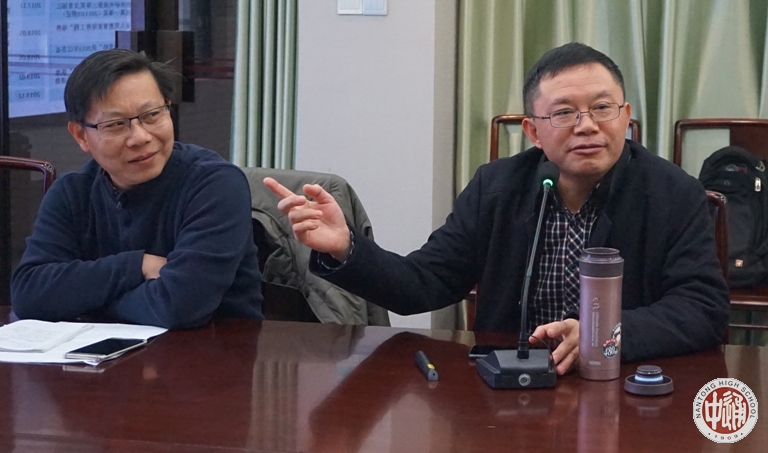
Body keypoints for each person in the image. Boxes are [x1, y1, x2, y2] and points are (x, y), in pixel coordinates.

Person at [264, 42, 730, 374]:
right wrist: (346, 247)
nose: (587, 125)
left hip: (623, 382)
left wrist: (602, 333)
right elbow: (422, 284)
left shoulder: (673, 193)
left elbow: (702, 309)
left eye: (602, 108)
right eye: (564, 113)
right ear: (533, 131)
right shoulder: (498, 187)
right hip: (509, 385)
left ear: (625, 117)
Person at [11, 48, 263, 328]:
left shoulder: (215, 184)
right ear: (81, 135)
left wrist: (86, 303)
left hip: (213, 350)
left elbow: (178, 306)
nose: (140, 137)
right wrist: (137, 265)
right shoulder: (71, 193)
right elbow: (29, 293)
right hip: (103, 354)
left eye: (152, 115)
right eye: (116, 124)